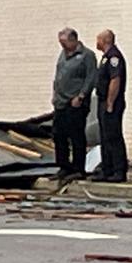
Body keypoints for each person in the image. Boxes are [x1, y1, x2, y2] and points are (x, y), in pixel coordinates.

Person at [52, 27, 98, 180]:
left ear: (73, 40)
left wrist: (81, 96)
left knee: (76, 135)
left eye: (64, 43)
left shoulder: (87, 56)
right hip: (60, 102)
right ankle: (64, 166)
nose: (62, 46)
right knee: (59, 135)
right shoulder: (63, 55)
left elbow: (91, 77)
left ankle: (79, 168)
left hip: (75, 103)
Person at [93, 30, 128, 182]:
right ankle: (107, 169)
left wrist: (110, 102)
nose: (96, 42)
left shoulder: (114, 57)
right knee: (105, 136)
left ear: (105, 40)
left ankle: (119, 170)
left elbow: (115, 80)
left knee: (113, 136)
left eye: (98, 39)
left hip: (111, 102)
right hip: (103, 101)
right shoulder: (105, 58)